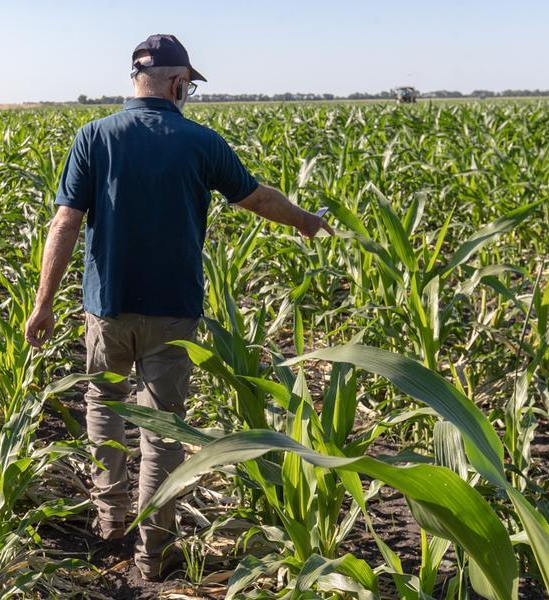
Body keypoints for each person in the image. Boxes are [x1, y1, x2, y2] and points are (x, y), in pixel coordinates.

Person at [25, 33, 332, 581]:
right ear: (176, 82)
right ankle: (152, 552)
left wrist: (42, 303)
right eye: (187, 83)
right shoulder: (200, 142)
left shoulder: (94, 137)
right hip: (173, 311)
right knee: (162, 428)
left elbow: (64, 222)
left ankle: (110, 521)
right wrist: (306, 220)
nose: (187, 91)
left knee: (105, 404)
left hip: (108, 308)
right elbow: (257, 197)